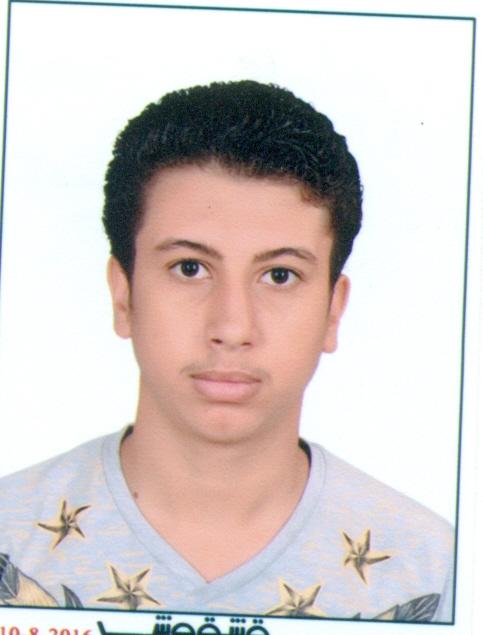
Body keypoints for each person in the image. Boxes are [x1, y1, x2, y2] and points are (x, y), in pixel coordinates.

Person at [0, 80, 453, 622]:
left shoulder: (439, 573)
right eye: (190, 268)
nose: (233, 327)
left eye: (280, 275)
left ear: (333, 311)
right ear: (124, 295)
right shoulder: (9, 537)